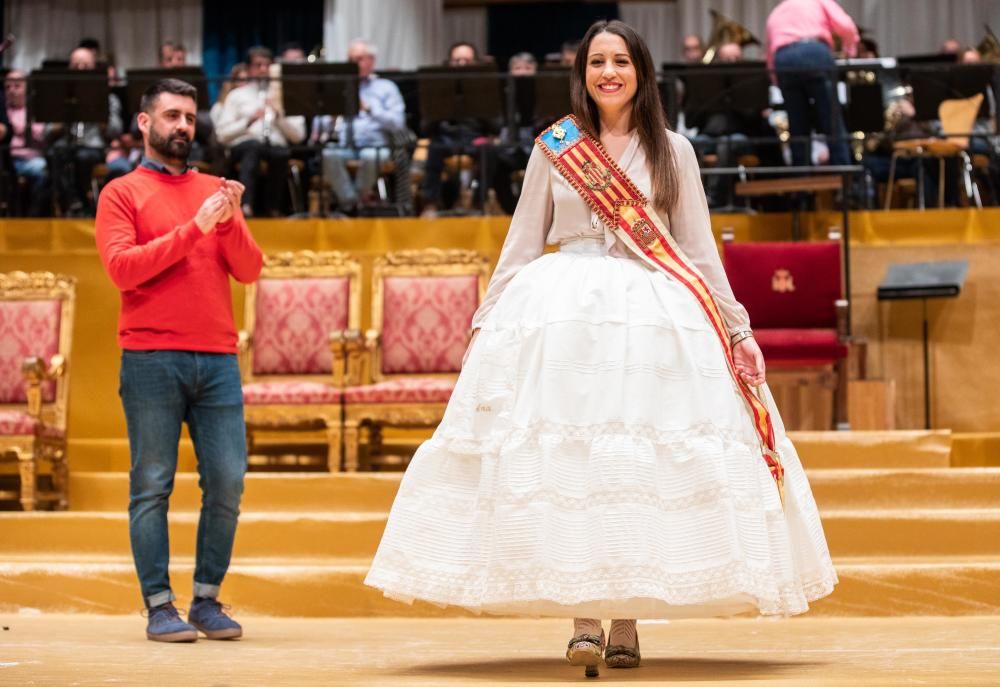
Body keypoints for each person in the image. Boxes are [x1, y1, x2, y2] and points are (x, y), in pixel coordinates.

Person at [365, 19, 836, 677]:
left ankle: (626, 619)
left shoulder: (675, 151)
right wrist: (486, 320)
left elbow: (697, 247)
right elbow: (523, 241)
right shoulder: (556, 148)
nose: (608, 73)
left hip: (655, 317)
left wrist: (736, 328)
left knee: (633, 468)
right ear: (582, 74)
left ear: (641, 71)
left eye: (620, 61)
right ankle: (584, 619)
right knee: (572, 467)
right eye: (596, 63)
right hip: (562, 318)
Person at [95, 78, 262, 642]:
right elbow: (123, 269)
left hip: (217, 357)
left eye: (190, 117)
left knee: (228, 480)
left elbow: (249, 268)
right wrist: (196, 227)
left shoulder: (216, 187)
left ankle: (208, 600)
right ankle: (159, 605)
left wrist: (230, 219)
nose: (183, 126)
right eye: (171, 115)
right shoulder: (121, 193)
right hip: (149, 357)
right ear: (145, 123)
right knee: (152, 483)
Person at [213, 46, 307, 216]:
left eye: (267, 65)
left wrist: (279, 116)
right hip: (243, 146)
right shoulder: (236, 95)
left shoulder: (285, 95)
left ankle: (273, 209)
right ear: (249, 69)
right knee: (253, 148)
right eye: (258, 65)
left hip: (274, 146)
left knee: (281, 153)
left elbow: (299, 136)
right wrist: (248, 120)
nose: (263, 69)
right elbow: (221, 134)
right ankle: (246, 206)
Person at [315, 38, 405, 214]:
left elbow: (398, 123)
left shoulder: (386, 87)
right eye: (351, 60)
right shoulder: (337, 87)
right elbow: (317, 126)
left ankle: (351, 204)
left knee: (371, 156)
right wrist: (331, 117)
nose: (354, 64)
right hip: (344, 145)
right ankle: (354, 202)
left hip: (376, 145)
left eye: (359, 59)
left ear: (371, 60)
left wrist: (370, 109)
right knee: (328, 154)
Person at [766, 0, 859, 167]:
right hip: (814, 52)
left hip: (784, 59)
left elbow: (771, 53)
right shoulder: (817, 1)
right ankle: (843, 176)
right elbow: (845, 25)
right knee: (831, 119)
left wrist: (776, 80)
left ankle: (801, 185)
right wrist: (850, 50)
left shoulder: (776, 13)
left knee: (797, 124)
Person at [4, 69, 50, 216]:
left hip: (31, 159)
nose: (12, 91)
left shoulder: (36, 109)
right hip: (6, 159)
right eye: (8, 87)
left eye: (17, 86)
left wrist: (15, 128)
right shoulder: (2, 110)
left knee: (42, 171)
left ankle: (33, 215)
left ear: (27, 88)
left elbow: (42, 134)